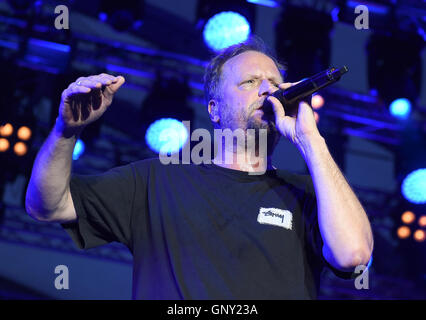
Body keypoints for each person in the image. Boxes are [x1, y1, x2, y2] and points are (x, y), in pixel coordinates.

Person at [25, 37, 373, 299]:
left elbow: (353, 254)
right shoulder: (154, 181)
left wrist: (311, 141)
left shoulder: (307, 194)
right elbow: (47, 206)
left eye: (273, 82)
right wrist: (65, 131)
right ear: (214, 109)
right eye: (249, 82)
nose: (267, 90)